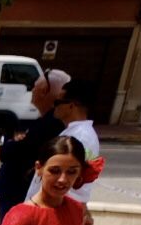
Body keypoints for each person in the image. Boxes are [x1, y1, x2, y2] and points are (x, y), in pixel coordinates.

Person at [0, 69, 69, 221]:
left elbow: (16, 152)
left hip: (20, 196)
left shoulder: (50, 124)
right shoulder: (45, 122)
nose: (32, 91)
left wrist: (10, 144)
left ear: (45, 91)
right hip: (18, 195)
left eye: (35, 87)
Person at [26, 80, 100, 208]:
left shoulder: (81, 137)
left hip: (54, 208)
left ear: (71, 106)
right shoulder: (75, 132)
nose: (54, 106)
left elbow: (70, 182)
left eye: (57, 102)